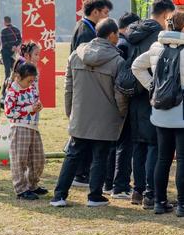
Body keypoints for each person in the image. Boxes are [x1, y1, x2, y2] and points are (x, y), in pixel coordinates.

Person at [132, 12, 184, 216]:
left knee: (163, 158)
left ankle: (160, 201)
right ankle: (183, 204)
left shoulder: (156, 46)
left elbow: (137, 66)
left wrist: (153, 86)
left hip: (161, 109)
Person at [50, 18, 128, 207]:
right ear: (111, 35)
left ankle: (59, 195)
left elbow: (68, 88)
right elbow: (119, 95)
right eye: (117, 34)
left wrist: (71, 111)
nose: (118, 37)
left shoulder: (76, 55)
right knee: (100, 156)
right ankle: (94, 196)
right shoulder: (117, 61)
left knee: (73, 154)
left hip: (80, 114)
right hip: (106, 116)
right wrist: (122, 114)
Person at [122, 0, 176, 208]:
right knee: (155, 144)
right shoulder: (158, 36)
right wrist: (153, 86)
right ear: (165, 15)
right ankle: (150, 193)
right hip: (153, 95)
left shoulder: (134, 31)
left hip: (134, 95)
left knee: (139, 145)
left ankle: (137, 190)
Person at [70, 0, 113, 188]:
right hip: (87, 89)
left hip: (85, 90)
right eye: (105, 13)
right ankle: (81, 174)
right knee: (85, 136)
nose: (106, 17)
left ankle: (81, 172)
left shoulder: (85, 27)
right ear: (95, 12)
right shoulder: (86, 32)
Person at [105, 11, 141, 198]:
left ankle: (108, 183)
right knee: (125, 145)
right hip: (124, 102)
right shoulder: (126, 45)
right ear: (129, 27)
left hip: (111, 102)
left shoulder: (118, 44)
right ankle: (121, 186)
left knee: (114, 145)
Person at [4, 62, 46, 200]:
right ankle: (21, 189)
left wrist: (38, 105)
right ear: (18, 77)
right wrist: (29, 109)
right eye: (28, 81)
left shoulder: (32, 87)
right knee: (19, 159)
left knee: (38, 158)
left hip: (33, 127)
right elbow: (9, 112)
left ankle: (32, 184)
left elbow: (35, 100)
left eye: (32, 80)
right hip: (19, 128)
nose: (30, 83)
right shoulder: (12, 92)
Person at [0, 16, 22, 81]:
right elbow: (20, 39)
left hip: (6, 52)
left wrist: (11, 47)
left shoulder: (3, 31)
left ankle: (6, 83)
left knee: (7, 70)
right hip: (14, 53)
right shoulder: (16, 29)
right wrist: (15, 46)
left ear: (4, 22)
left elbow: (4, 43)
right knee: (14, 68)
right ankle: (14, 82)